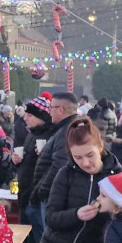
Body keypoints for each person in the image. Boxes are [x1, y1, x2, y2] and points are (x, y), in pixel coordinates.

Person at [29, 91, 79, 229]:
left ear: (61, 109)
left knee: (50, 236)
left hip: (54, 194)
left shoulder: (67, 130)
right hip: (53, 191)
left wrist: (42, 191)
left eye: (51, 108)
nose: (49, 111)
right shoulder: (64, 128)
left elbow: (59, 165)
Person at [13, 95, 52, 243]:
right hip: (25, 192)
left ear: (41, 117)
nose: (25, 118)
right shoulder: (32, 134)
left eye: (30, 115)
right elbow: (27, 163)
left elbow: (48, 166)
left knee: (39, 237)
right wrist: (16, 161)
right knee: (27, 238)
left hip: (37, 195)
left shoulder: (49, 135)